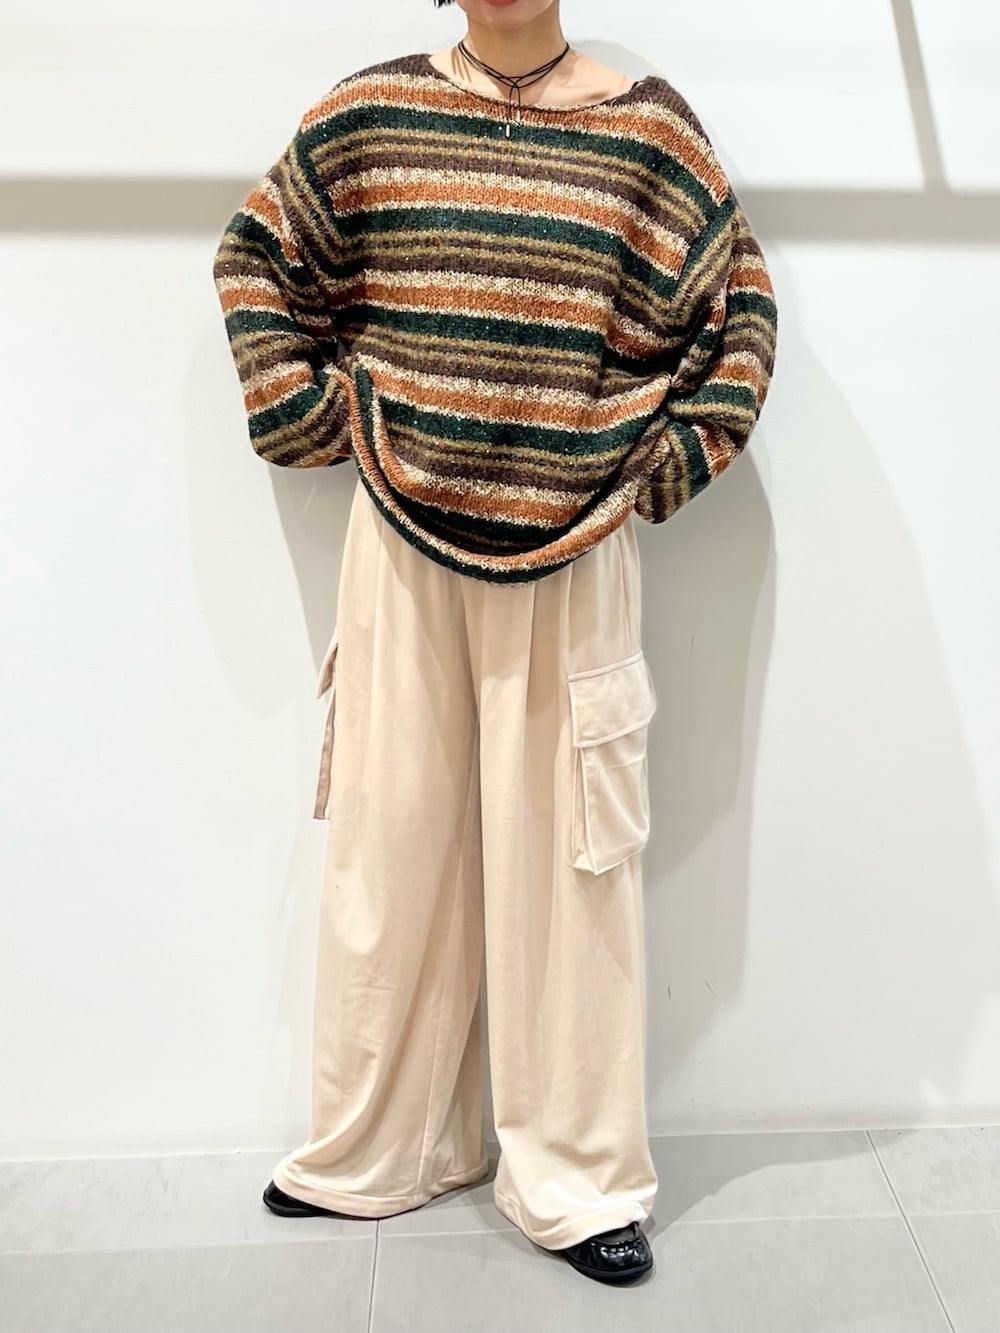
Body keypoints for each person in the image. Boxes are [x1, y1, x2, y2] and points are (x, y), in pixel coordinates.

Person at [211, 0, 777, 1286]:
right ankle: (379, 1146)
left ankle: (576, 1180)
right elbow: (256, 258)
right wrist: (314, 416)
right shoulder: (372, 113)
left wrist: (664, 468)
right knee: (388, 836)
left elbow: (739, 314)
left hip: (578, 543)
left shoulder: (647, 134)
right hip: (399, 535)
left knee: (572, 861)